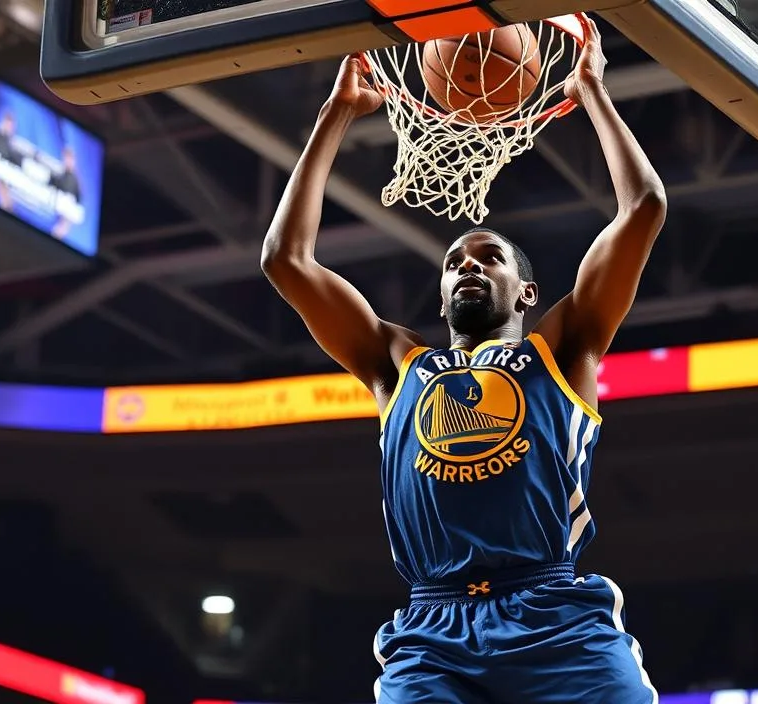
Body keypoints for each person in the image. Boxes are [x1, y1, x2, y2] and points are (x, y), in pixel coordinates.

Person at [262, 18, 666, 704]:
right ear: (443, 293)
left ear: (526, 293)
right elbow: (286, 261)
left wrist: (593, 91)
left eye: (489, 257)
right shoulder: (396, 363)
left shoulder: (562, 349)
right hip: (434, 630)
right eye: (455, 262)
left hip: (554, 616)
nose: (468, 266)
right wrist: (336, 113)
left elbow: (644, 207)